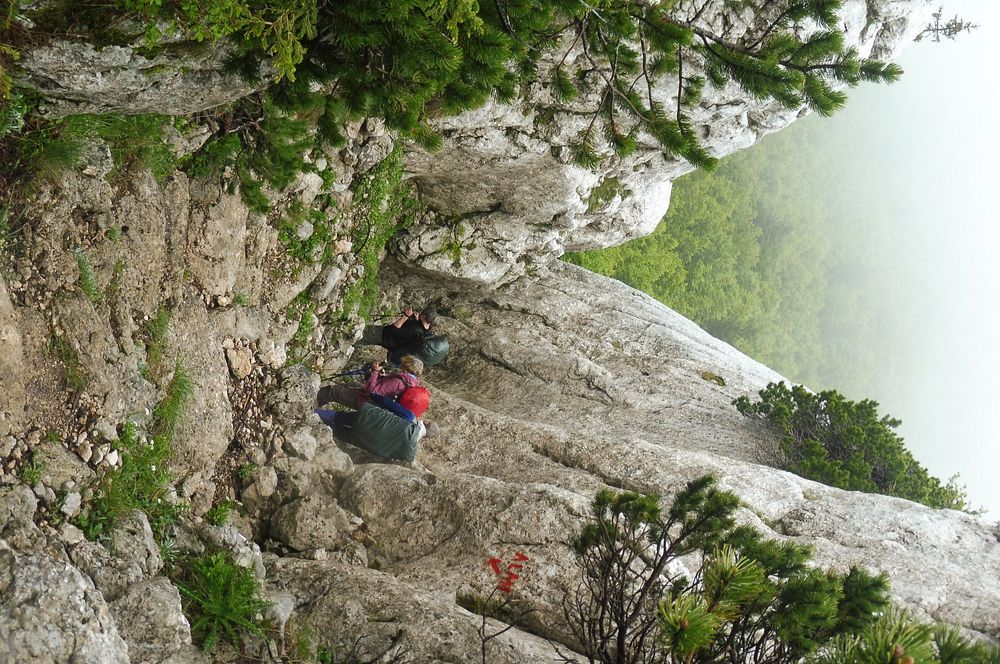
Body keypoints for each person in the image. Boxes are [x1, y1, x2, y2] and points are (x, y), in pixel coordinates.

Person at [316, 401, 439, 462]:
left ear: (426, 423)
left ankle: (312, 414)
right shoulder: (409, 454)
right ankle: (314, 427)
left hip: (365, 420)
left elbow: (389, 405)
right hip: (362, 441)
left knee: (338, 417)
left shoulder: (411, 420)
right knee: (334, 431)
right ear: (426, 437)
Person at [317, 355, 424, 410]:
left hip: (367, 401)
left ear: (408, 367)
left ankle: (311, 400)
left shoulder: (399, 382)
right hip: (372, 401)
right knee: (352, 384)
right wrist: (380, 375)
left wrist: (375, 372)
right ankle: (320, 401)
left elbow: (372, 391)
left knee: (333, 392)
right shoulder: (410, 382)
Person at [360, 305, 437, 357]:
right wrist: (416, 320)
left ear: (423, 316)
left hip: (384, 336)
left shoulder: (414, 329)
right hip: (390, 344)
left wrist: (406, 316)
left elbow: (393, 329)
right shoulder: (426, 332)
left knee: (361, 333)